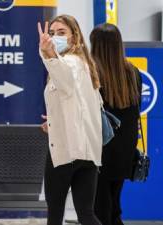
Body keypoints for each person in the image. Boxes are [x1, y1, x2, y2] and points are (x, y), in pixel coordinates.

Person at [38, 15, 102, 225]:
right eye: (53, 33)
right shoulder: (85, 65)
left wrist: (48, 54)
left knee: (55, 214)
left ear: (75, 38)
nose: (56, 37)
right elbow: (77, 106)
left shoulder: (71, 63)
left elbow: (64, 78)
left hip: (66, 152)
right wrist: (54, 121)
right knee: (86, 213)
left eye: (62, 33)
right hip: (87, 152)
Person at [90, 23, 142, 225]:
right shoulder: (132, 72)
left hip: (99, 148)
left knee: (99, 207)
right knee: (114, 205)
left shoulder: (92, 73)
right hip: (125, 148)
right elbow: (136, 108)